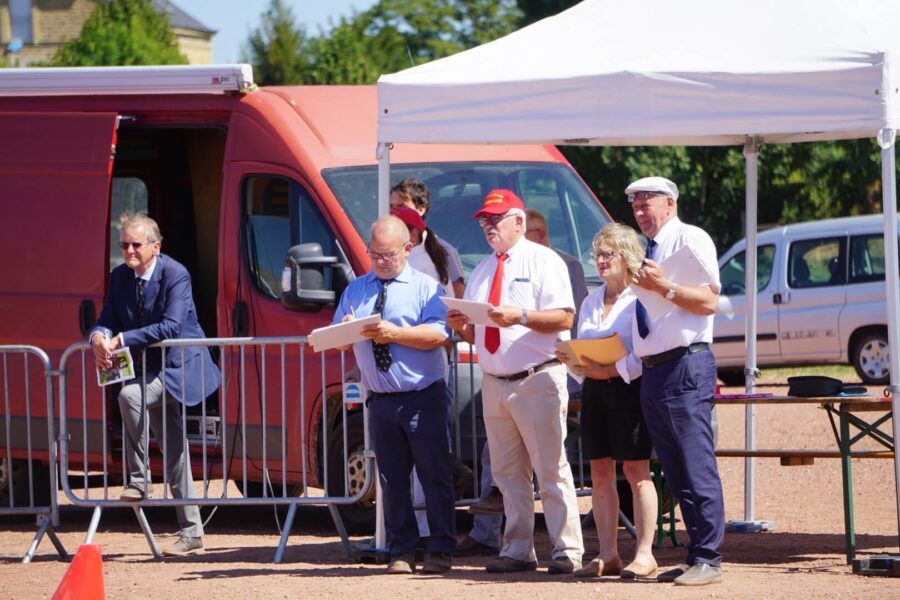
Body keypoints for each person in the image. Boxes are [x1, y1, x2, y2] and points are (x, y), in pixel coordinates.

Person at [447, 189, 583, 575]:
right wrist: (462, 327)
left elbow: (564, 317)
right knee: (507, 474)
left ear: (518, 221)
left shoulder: (544, 260)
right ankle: (518, 548)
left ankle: (567, 550)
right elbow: (480, 332)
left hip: (536, 376)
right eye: (484, 221)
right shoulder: (482, 270)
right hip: (494, 380)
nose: (488, 226)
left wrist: (521, 315)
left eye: (495, 219)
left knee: (551, 468)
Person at [89, 212, 220, 557]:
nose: (129, 251)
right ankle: (192, 533)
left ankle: (139, 478)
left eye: (135, 244)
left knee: (130, 396)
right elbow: (105, 320)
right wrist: (99, 337)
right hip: (145, 369)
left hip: (179, 368)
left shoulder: (175, 273)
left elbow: (171, 327)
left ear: (155, 246)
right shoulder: (119, 277)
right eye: (124, 245)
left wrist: (120, 339)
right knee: (175, 452)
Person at [333, 216, 456, 575]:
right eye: (374, 253)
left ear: (407, 248)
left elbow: (439, 334)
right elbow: (336, 334)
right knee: (392, 479)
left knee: (434, 475)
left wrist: (393, 334)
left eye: (387, 254)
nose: (380, 260)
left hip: (422, 394)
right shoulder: (357, 288)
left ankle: (440, 548)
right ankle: (402, 549)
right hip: (382, 399)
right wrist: (343, 330)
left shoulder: (426, 286)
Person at [626, 176, 724, 586]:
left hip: (685, 364)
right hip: (655, 370)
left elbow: (709, 301)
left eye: (647, 204)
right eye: (635, 206)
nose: (641, 212)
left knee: (695, 465)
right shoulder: (648, 249)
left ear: (670, 202)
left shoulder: (690, 239)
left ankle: (709, 557)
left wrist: (664, 286)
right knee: (675, 470)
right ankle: (695, 553)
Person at [391, 205, 501, 557]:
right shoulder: (443, 254)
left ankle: (435, 534)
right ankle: (423, 533)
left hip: (431, 365)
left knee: (431, 456)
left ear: (411, 235)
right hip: (420, 367)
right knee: (424, 457)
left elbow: (456, 301)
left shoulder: (434, 259)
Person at [558, 223, 658, 579]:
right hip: (595, 393)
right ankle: (608, 554)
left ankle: (645, 554)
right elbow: (583, 350)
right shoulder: (590, 300)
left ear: (626, 256)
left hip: (630, 390)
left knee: (635, 471)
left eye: (607, 254)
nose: (600, 261)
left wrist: (612, 369)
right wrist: (574, 362)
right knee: (600, 472)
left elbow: (646, 350)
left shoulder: (641, 297)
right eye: (597, 255)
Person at [390, 178, 465, 298]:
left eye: (401, 206)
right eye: (391, 206)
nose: (394, 211)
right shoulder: (387, 250)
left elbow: (459, 297)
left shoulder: (444, 250)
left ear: (421, 209)